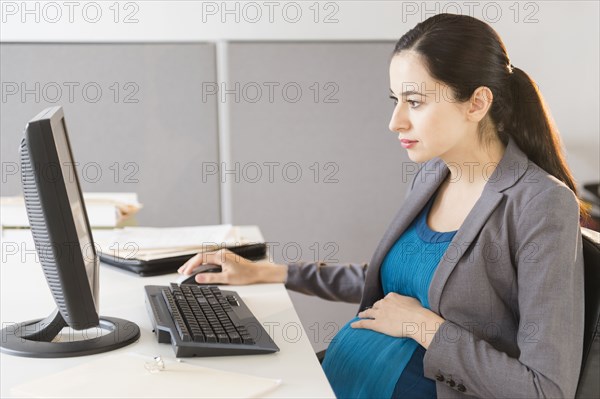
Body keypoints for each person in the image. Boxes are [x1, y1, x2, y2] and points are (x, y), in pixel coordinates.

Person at [178, 13, 586, 399]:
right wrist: (267, 272)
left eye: (415, 101)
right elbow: (398, 280)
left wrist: (422, 326)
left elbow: (545, 388)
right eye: (395, 99)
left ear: (477, 103)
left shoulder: (540, 203)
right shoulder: (434, 174)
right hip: (348, 373)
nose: (395, 121)